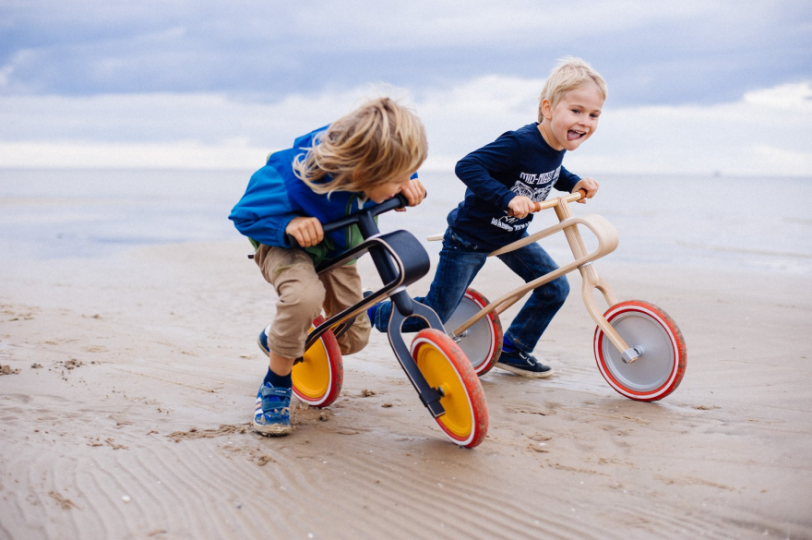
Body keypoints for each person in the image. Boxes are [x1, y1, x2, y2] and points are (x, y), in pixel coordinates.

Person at [369, 57, 606, 378]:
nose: (585, 122)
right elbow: (467, 166)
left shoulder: (556, 144)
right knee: (438, 310)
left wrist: (574, 182)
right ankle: (374, 312)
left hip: (510, 234)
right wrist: (507, 198)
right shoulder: (519, 142)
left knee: (554, 288)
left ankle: (514, 348)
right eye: (576, 111)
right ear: (548, 109)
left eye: (593, 115)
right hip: (469, 238)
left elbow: (550, 172)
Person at [229, 97, 428, 436]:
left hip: (335, 248)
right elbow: (244, 215)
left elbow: (394, 168)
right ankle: (275, 384)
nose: (402, 184)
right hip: (283, 246)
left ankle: (281, 335)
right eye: (397, 179)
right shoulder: (286, 180)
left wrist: (408, 179)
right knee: (305, 297)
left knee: (353, 339)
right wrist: (287, 225)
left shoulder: (372, 158)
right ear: (367, 173)